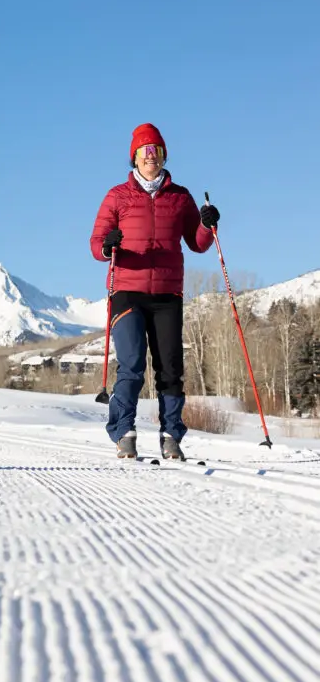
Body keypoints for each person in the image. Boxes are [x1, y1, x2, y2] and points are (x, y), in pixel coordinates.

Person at [90, 123, 220, 460]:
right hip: (127, 290)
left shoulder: (179, 197)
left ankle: (171, 436)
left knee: (170, 368)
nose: (152, 157)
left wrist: (206, 224)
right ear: (134, 156)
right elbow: (95, 244)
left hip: (167, 294)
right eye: (145, 151)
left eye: (157, 151)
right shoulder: (117, 196)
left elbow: (198, 243)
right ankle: (124, 431)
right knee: (132, 365)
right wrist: (107, 245)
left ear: (164, 156)